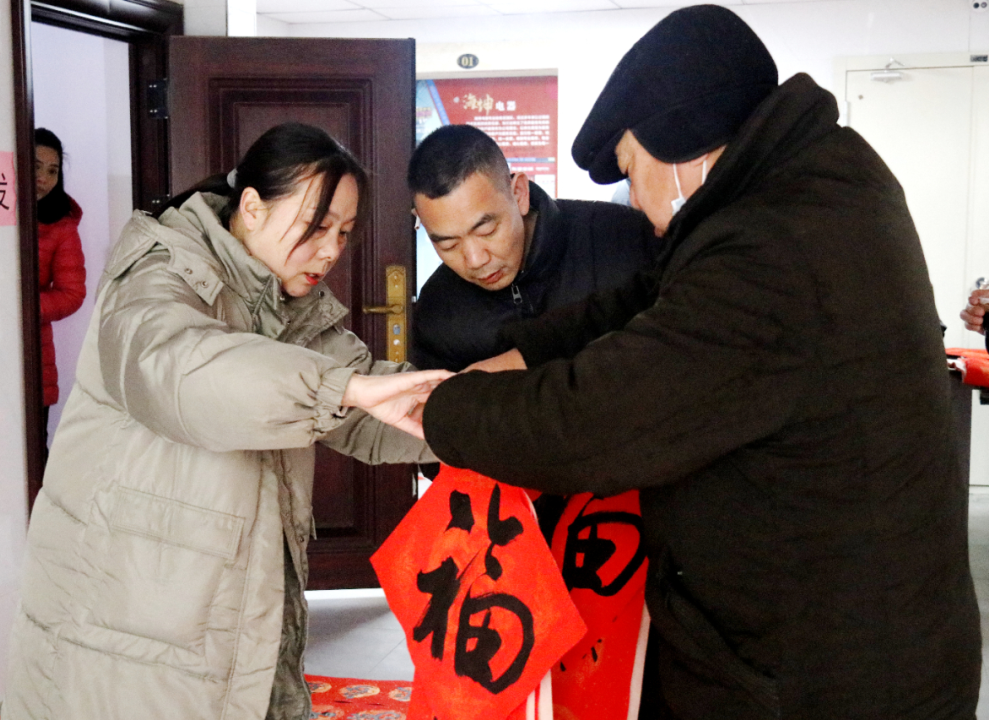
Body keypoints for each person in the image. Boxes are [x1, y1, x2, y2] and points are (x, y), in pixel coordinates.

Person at [414, 5, 981, 718]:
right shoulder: (816, 187)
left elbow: (597, 421)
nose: (633, 197)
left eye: (630, 169)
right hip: (838, 632)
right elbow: (637, 300)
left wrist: (442, 409)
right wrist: (519, 356)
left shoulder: (771, 254)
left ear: (679, 148)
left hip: (825, 672)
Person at [4, 123, 451, 720]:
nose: (330, 251)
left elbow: (370, 408)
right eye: (316, 226)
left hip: (220, 615)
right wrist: (342, 387)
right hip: (127, 620)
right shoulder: (159, 274)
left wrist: (474, 421)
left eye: (343, 233)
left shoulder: (289, 305)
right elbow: (182, 372)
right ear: (253, 207)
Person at [410, 124, 659, 372]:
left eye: (487, 231)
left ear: (519, 194)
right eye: (449, 245)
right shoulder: (438, 312)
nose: (475, 260)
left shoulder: (628, 241)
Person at [34, 128, 87, 455]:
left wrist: (24, 307)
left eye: (52, 171)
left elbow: (72, 293)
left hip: (34, 353)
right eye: (36, 166)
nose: (43, 178)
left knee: (31, 452)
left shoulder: (62, 226)